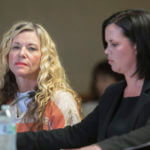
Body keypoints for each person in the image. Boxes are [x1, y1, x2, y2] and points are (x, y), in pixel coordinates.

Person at [17, 9, 150, 150]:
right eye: (106, 44)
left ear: (138, 45)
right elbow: (75, 135)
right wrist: (11, 140)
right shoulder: (114, 92)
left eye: (114, 44)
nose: (106, 51)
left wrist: (98, 148)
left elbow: (145, 136)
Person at [0, 21, 81, 133]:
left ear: (45, 58)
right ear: (7, 55)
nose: (22, 53)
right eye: (16, 47)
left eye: (31, 48)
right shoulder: (4, 100)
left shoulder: (60, 100)